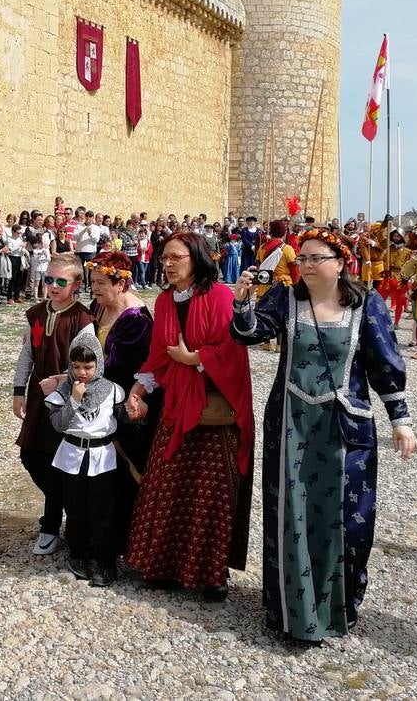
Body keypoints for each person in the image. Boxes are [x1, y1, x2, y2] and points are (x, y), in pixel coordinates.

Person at [230, 227, 417, 641]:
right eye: (302, 259)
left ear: (341, 262)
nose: (307, 266)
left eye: (317, 258)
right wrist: (242, 302)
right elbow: (248, 334)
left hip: (345, 427)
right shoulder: (285, 298)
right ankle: (290, 612)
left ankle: (337, 609)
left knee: (347, 520)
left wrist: (400, 420)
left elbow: (383, 362)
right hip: (291, 424)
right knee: (290, 512)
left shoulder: (367, 305)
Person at [124, 231, 254, 599]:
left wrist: (194, 359)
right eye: (164, 257)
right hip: (177, 404)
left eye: (175, 257)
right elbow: (158, 353)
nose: (167, 264)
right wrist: (140, 387)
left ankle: (210, 575)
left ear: (196, 259)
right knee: (168, 486)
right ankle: (163, 566)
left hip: (213, 409)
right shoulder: (165, 301)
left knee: (209, 493)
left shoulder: (219, 297)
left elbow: (231, 348)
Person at [12, 252, 95, 555]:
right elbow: (27, 354)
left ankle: (50, 524)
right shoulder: (35, 313)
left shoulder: (82, 319)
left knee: (57, 460)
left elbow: (87, 365)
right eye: (49, 279)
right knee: (30, 456)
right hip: (38, 396)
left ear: (75, 284)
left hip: (68, 399)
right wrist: (18, 390)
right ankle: (61, 506)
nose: (53, 286)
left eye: (61, 281)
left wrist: (61, 382)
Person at [87, 250, 157, 550]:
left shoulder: (136, 319)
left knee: (124, 472)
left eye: (102, 282)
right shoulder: (99, 306)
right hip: (100, 396)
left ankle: (127, 540)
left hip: (126, 402)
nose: (95, 288)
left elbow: (118, 368)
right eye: (93, 282)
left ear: (122, 284)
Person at [45, 331, 127, 586]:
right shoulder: (63, 391)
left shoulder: (112, 390)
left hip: (103, 458)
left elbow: (125, 419)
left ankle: (105, 560)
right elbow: (58, 424)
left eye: (88, 367)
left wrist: (137, 411)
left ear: (99, 363)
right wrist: (74, 399)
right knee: (76, 509)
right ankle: (78, 554)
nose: (82, 372)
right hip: (71, 457)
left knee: (103, 511)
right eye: (76, 366)